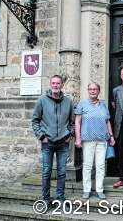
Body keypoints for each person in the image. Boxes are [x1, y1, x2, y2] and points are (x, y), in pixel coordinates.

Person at [31, 75, 74, 210]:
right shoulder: (42, 101)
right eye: (53, 83)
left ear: (62, 85)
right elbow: (35, 120)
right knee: (46, 171)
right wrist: (41, 136)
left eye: (58, 83)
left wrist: (69, 135)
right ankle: (45, 200)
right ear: (50, 84)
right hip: (47, 142)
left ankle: (60, 199)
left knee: (62, 172)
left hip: (63, 143)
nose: (56, 85)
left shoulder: (68, 101)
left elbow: (72, 122)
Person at [74, 82, 115, 200]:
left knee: (101, 166)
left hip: (102, 140)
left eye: (95, 89)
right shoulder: (82, 104)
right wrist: (78, 138)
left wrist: (111, 136)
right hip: (87, 140)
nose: (92, 91)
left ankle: (99, 189)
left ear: (98, 91)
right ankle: (86, 190)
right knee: (87, 166)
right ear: (88, 91)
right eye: (90, 89)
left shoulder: (103, 104)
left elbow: (107, 121)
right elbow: (77, 122)